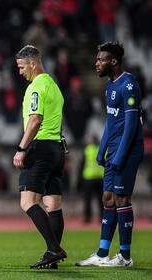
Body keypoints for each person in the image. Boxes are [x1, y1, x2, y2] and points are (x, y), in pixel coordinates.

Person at [76, 42, 143, 267]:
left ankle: (125, 256)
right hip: (113, 150)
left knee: (122, 198)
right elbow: (111, 122)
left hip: (128, 149)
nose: (96, 63)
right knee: (107, 198)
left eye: (100, 60)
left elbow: (131, 126)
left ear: (113, 61)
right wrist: (102, 149)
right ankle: (102, 253)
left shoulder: (129, 85)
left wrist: (119, 155)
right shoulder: (109, 85)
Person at [13, 45, 67, 269]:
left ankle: (54, 249)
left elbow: (35, 120)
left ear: (33, 64)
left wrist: (21, 148)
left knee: (27, 202)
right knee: (52, 204)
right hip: (56, 148)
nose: (20, 72)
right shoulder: (53, 86)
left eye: (22, 66)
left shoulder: (36, 87)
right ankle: (52, 256)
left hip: (40, 148)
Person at [79, 135, 104, 224]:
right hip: (99, 178)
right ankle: (102, 217)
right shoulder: (101, 149)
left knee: (87, 199)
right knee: (100, 200)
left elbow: (81, 165)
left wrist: (79, 181)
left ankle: (87, 218)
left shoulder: (87, 150)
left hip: (88, 177)